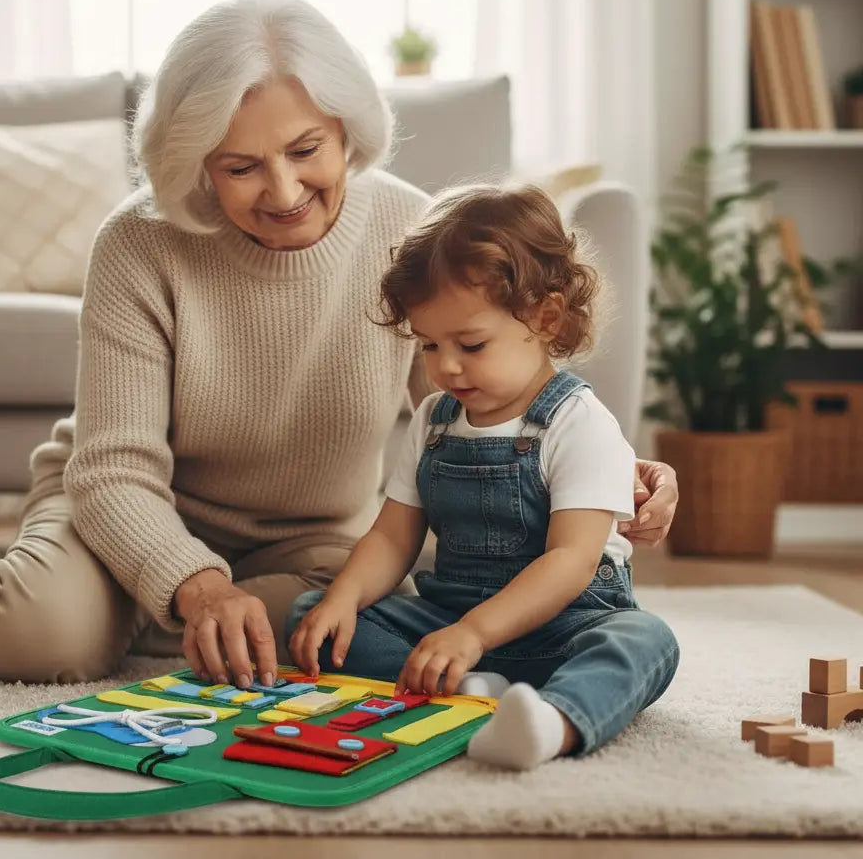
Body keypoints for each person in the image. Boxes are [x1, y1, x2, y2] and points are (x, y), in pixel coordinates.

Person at [0, 0, 678, 685]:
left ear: (348, 128)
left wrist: (607, 467)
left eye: (305, 150)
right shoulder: (138, 243)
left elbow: (484, 402)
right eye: (239, 166)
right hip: (128, 510)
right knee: (45, 638)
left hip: (313, 541)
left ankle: (144, 621)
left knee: (324, 646)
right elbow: (115, 468)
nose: (282, 192)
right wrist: (197, 585)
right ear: (198, 160)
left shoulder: (413, 234)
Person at [286, 183, 680, 771]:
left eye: (470, 344)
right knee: (314, 615)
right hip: (454, 618)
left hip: (566, 623)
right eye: (428, 345)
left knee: (645, 643)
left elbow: (570, 563)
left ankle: (554, 721)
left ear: (544, 317)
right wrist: (343, 599)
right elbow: (393, 538)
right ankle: (471, 692)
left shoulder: (579, 421)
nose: (445, 367)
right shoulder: (434, 420)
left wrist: (475, 632)